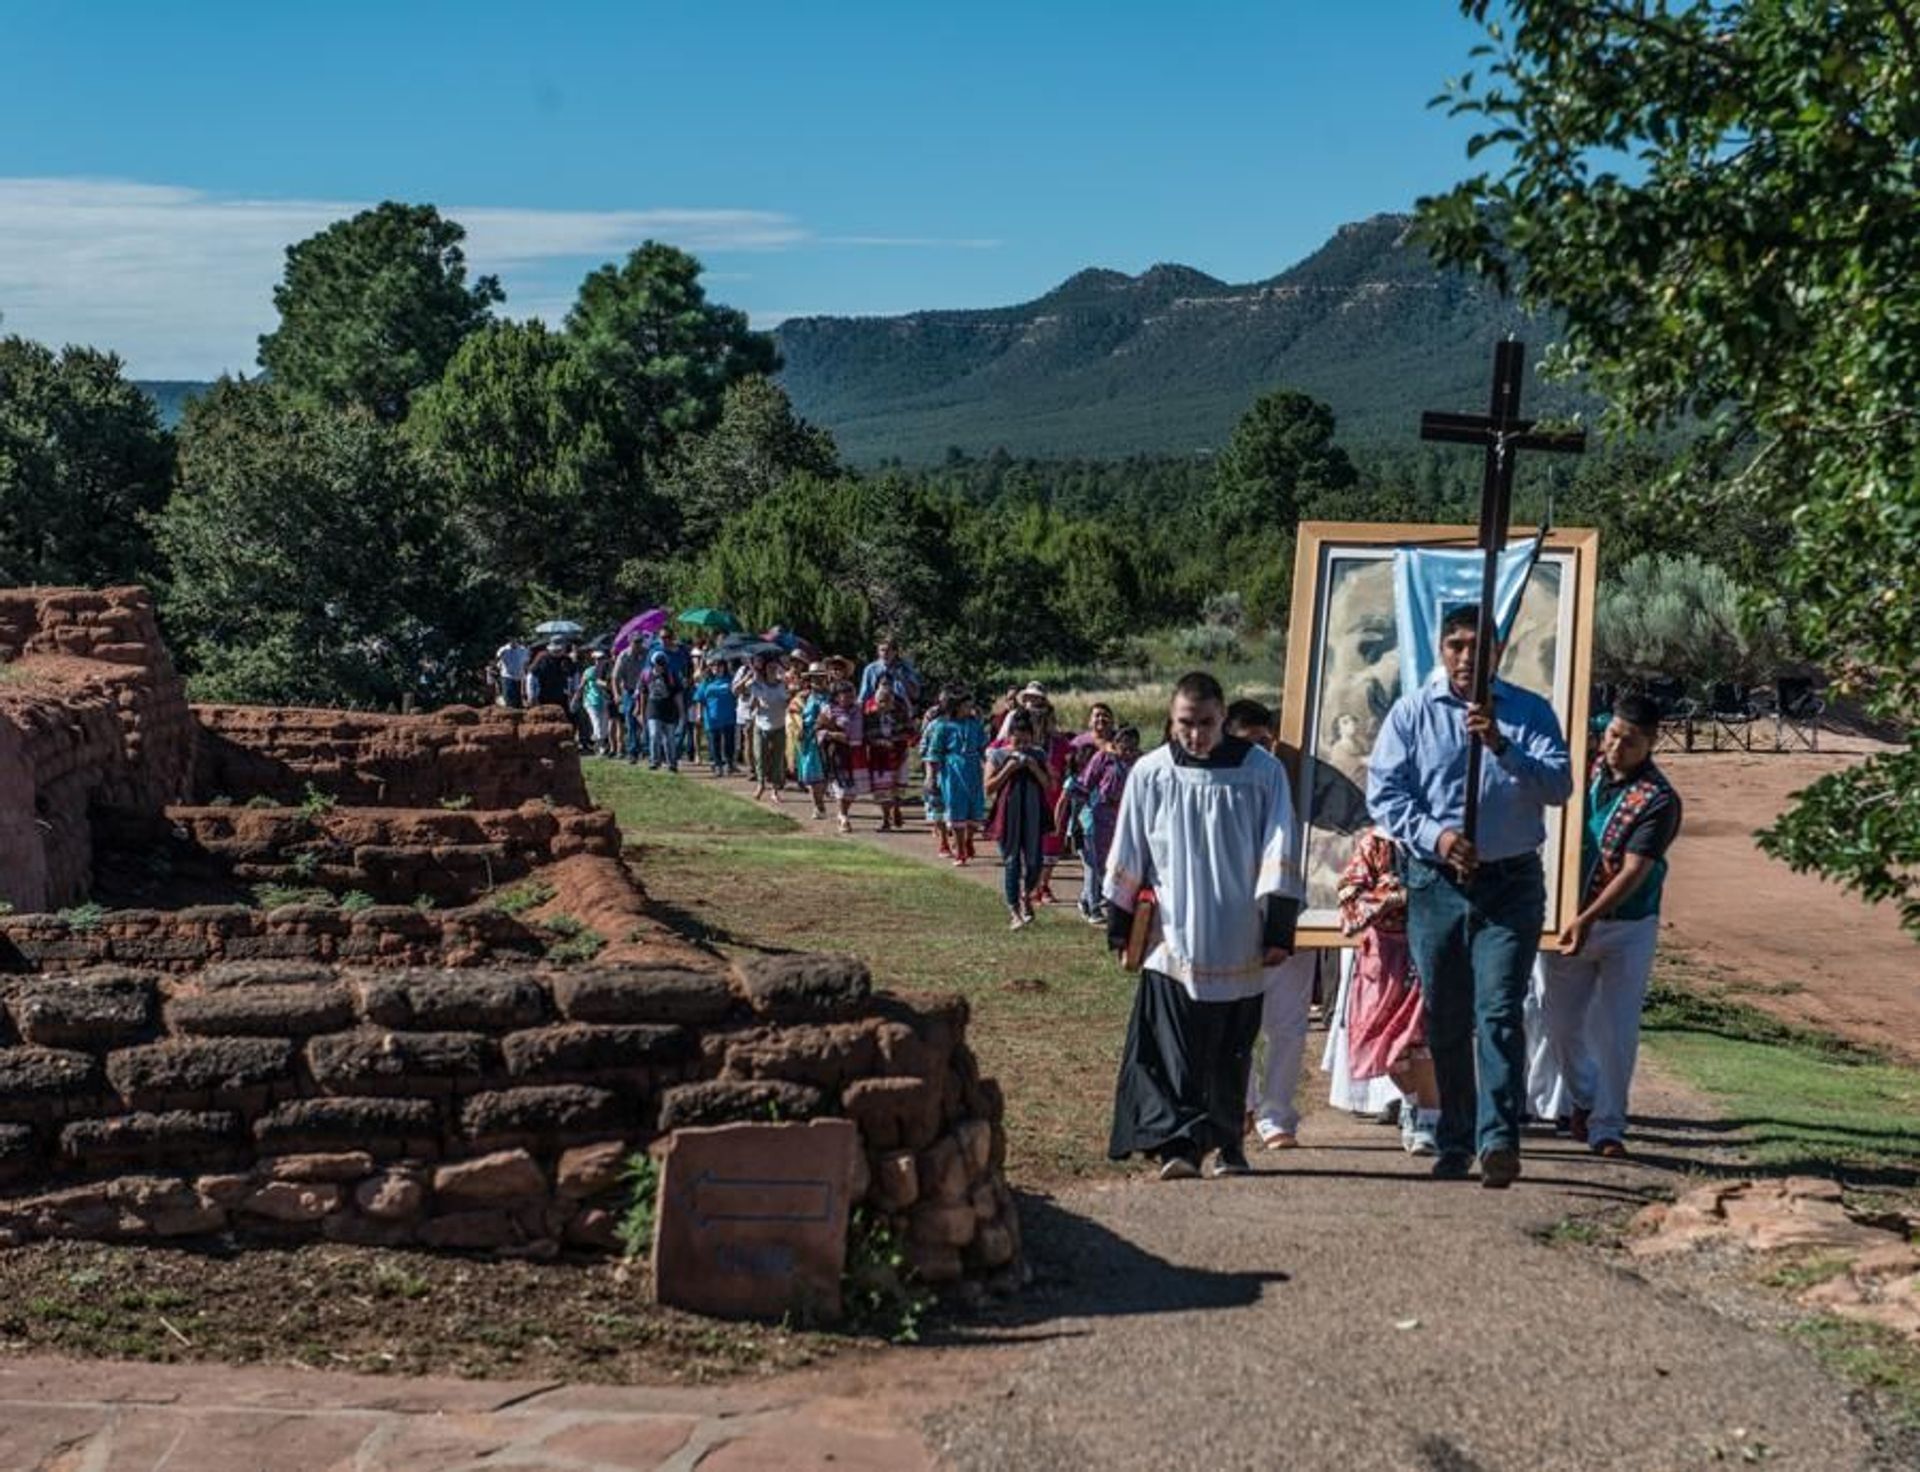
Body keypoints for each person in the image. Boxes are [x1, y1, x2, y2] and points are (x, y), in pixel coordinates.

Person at [1366, 602, 1573, 1188]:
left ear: (1496, 652)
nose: (1465, 657)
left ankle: (1499, 1138)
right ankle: (1454, 1137)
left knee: (1500, 1010)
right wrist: (1440, 835)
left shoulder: (1529, 713)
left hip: (1509, 884)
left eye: (1477, 646)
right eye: (1455, 645)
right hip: (1436, 882)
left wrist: (1505, 746)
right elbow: (1386, 794)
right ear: (1441, 649)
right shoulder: (1412, 715)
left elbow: (1559, 785)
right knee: (1448, 1017)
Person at [1106, 672, 1305, 1180]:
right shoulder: (1151, 772)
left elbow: (1280, 844)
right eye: (1185, 724)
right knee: (1175, 1049)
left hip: (1239, 930)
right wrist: (1120, 922)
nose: (1195, 735)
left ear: (1223, 719)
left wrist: (1279, 926)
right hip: (1172, 934)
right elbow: (1129, 845)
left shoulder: (1261, 772)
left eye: (1206, 724)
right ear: (1171, 721)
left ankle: (1230, 1145)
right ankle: (1181, 1144)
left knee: (1231, 1047)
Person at [1538, 693, 1682, 1159]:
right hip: (1566, 920)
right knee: (1558, 1021)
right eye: (1613, 736)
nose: (1616, 747)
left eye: (1630, 741)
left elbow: (1634, 870)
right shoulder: (1581, 772)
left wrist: (1586, 918)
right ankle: (1585, 1096)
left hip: (1626, 925)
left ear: (1652, 744)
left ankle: (1608, 1126)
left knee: (1617, 1029)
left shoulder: (1658, 800)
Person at [1338, 827, 1441, 1155]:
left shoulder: (1437, 838)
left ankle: (1430, 1117)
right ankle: (1412, 1102)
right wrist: (1391, 895)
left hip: (1425, 949)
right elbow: (1349, 892)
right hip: (1382, 956)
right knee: (1386, 1046)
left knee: (1420, 1039)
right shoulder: (1375, 842)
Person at [985, 709, 1052, 929]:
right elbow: (988, 787)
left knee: (1035, 862)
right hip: (1007, 816)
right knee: (1011, 862)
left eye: (1026, 738)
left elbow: (1049, 785)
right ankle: (1014, 910)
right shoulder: (998, 755)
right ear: (1009, 735)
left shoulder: (1038, 755)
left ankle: (1026, 895)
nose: (1021, 743)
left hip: (1033, 814)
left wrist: (1033, 767)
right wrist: (1009, 769)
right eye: (1017, 738)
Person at [1080, 724, 1139, 921]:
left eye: (1133, 748)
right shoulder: (1103, 758)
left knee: (1121, 861)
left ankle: (1094, 899)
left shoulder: (1140, 763)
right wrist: (1078, 816)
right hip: (1102, 813)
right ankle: (1094, 904)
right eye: (1125, 748)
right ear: (1116, 744)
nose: (1128, 753)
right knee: (1099, 860)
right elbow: (1085, 784)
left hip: (1126, 816)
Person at [932, 689, 989, 866]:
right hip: (952, 770)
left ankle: (968, 839)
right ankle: (960, 851)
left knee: (976, 808)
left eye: (970, 705)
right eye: (966, 705)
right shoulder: (943, 725)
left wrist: (988, 765)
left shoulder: (975, 724)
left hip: (973, 768)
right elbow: (935, 752)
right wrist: (932, 776)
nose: (969, 709)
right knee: (957, 807)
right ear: (956, 706)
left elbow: (984, 747)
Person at [864, 680, 913, 831]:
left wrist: (897, 739)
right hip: (879, 757)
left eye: (887, 700)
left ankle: (896, 808)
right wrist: (879, 742)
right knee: (882, 789)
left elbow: (910, 731)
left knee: (898, 787)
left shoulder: (900, 713)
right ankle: (886, 819)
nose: (883, 704)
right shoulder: (870, 715)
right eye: (880, 701)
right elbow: (867, 735)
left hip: (899, 753)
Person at [741, 656, 789, 802]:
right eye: (770, 668)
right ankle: (761, 785)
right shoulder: (757, 685)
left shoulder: (783, 685)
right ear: (765, 670)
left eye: (775, 668)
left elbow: (788, 700)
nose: (773, 671)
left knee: (777, 758)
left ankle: (774, 790)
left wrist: (788, 690)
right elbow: (739, 691)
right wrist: (749, 678)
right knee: (760, 757)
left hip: (779, 726)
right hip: (761, 726)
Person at [794, 664, 832, 819]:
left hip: (821, 737)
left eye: (820, 677)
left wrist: (818, 725)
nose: (817, 680)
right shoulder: (805, 696)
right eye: (814, 677)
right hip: (806, 738)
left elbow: (827, 714)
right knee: (809, 773)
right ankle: (818, 805)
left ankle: (820, 805)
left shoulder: (828, 697)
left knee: (818, 773)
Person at [695, 660, 740, 776]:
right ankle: (717, 764)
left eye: (719, 666)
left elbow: (737, 694)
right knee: (714, 743)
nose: (717, 668)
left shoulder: (731, 680)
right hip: (712, 717)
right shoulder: (706, 682)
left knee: (729, 743)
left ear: (724, 667)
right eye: (714, 666)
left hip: (728, 716)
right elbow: (700, 699)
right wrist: (699, 714)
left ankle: (729, 764)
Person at [643, 651, 685, 772]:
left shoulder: (671, 675)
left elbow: (678, 694)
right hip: (653, 709)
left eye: (662, 664)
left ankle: (672, 763)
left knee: (670, 738)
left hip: (669, 710)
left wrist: (681, 712)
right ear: (653, 663)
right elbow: (642, 694)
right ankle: (654, 761)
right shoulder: (647, 675)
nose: (659, 666)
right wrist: (640, 711)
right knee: (654, 734)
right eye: (657, 663)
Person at [859, 637, 921, 713]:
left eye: (888, 650)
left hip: (900, 708)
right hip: (876, 707)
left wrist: (902, 678)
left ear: (895, 652)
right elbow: (864, 695)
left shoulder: (905, 668)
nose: (885, 653)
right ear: (878, 652)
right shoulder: (870, 669)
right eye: (882, 650)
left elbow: (915, 694)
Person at [575, 650, 613, 756]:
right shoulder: (589, 671)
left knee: (604, 725)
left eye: (601, 658)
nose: (599, 661)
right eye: (597, 659)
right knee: (597, 725)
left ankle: (597, 742)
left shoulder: (608, 671)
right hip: (591, 701)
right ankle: (600, 747)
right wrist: (576, 698)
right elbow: (582, 686)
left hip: (604, 701)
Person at [526, 639, 574, 711]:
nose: (557, 652)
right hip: (543, 696)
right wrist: (531, 695)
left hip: (561, 696)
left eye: (560, 650)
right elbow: (531, 678)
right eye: (555, 650)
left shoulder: (566, 660)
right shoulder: (541, 659)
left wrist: (573, 691)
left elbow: (572, 676)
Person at [493, 638, 531, 710]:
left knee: (518, 700)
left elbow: (526, 662)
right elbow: (497, 658)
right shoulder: (503, 649)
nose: (513, 642)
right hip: (507, 676)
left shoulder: (523, 650)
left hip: (519, 677)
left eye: (515, 640)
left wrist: (525, 674)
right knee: (509, 699)